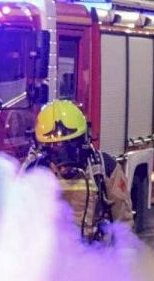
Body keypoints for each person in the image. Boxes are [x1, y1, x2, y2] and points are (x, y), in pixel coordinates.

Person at [22, 100, 133, 243]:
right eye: (54, 146)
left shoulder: (104, 168)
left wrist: (124, 253)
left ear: (83, 140)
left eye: (69, 144)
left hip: (93, 253)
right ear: (43, 147)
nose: (62, 153)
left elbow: (123, 224)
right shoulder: (34, 173)